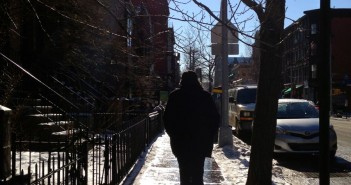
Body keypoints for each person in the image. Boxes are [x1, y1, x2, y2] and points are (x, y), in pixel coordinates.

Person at [163, 71, 219, 185]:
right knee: (198, 173)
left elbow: (167, 119)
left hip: (181, 142)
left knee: (184, 173)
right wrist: (209, 136)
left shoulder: (175, 96)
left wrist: (174, 135)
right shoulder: (205, 96)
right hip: (200, 142)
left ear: (182, 81)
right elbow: (214, 118)